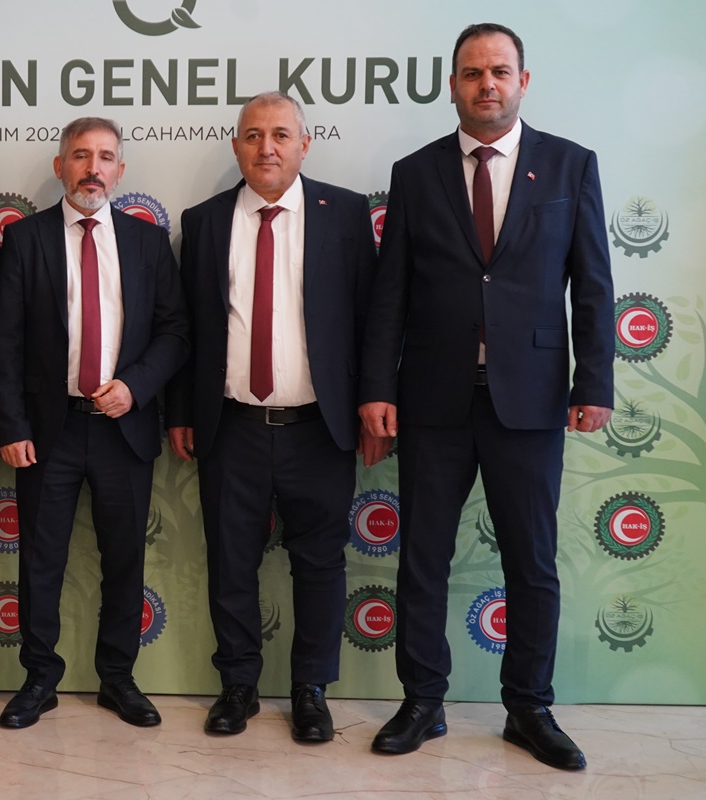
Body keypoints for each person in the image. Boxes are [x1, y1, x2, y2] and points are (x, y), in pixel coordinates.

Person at [359, 23, 613, 770]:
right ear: (453, 85)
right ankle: (422, 702)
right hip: (432, 398)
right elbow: (390, 293)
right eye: (472, 73)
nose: (487, 84)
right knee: (422, 558)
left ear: (523, 81)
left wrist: (594, 380)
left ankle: (529, 707)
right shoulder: (416, 173)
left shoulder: (569, 165)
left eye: (500, 71)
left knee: (531, 562)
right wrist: (377, 386)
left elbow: (592, 284)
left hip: (530, 400)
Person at [167, 91, 387, 740]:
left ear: (304, 145)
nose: (267, 147)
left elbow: (373, 320)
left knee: (320, 563)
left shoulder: (345, 214)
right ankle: (237, 686)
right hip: (230, 426)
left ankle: (311, 690)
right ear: (237, 145)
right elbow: (187, 329)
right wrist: (181, 411)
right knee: (230, 561)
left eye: (281, 135)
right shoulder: (204, 222)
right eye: (254, 135)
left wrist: (373, 408)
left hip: (320, 428)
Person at [0, 117, 189, 729]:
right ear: (61, 167)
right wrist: (13, 425)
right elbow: (4, 341)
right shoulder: (25, 239)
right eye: (80, 155)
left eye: (105, 157)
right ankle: (38, 679)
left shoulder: (148, 242)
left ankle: (117, 678)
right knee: (40, 560)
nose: (92, 168)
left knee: (124, 559)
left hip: (122, 430)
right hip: (47, 431)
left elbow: (175, 332)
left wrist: (136, 386)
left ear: (120, 170)